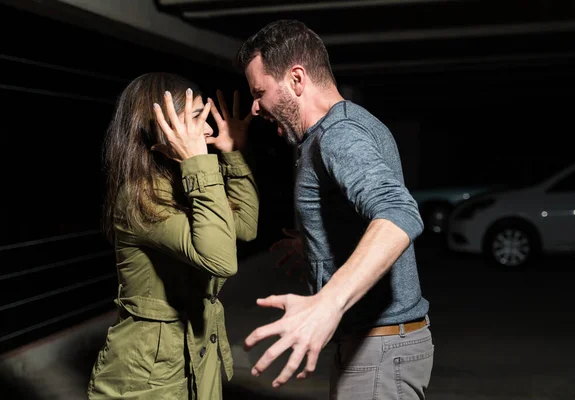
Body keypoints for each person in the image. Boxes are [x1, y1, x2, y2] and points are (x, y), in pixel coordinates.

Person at [235, 20, 433, 399]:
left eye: (259, 92)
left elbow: (398, 211)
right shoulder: (350, 123)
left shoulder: (337, 135)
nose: (255, 108)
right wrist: (321, 247)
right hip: (379, 347)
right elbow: (359, 213)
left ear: (296, 79)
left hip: (378, 349)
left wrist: (327, 303)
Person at [87, 72, 259, 399]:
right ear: (161, 127)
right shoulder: (139, 199)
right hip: (147, 378)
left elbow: (245, 226)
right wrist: (198, 163)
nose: (208, 129)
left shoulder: (186, 181)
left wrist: (233, 153)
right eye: (197, 118)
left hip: (193, 354)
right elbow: (221, 259)